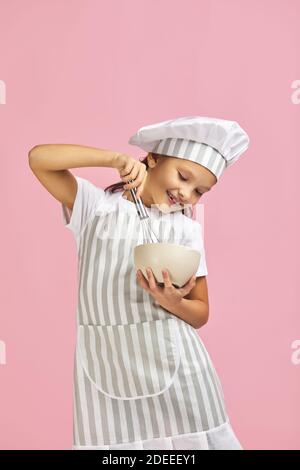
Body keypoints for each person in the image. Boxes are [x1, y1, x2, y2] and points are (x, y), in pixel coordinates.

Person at [28, 115, 250, 450]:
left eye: (200, 191)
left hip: (179, 368)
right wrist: (113, 159)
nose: (187, 194)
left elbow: (201, 313)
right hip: (109, 367)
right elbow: (38, 159)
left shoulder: (186, 230)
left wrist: (172, 302)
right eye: (184, 177)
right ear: (153, 159)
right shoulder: (95, 208)